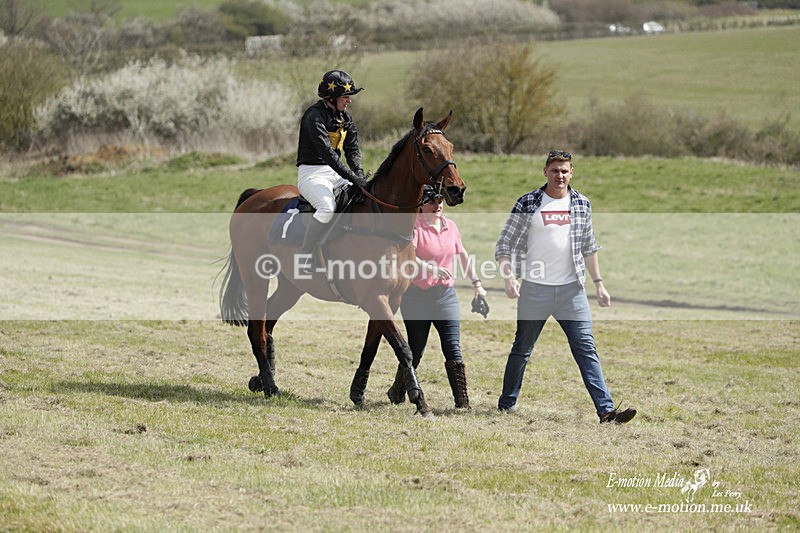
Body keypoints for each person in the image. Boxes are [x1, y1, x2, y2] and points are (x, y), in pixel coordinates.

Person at [495, 150, 636, 424]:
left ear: (571, 173)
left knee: (586, 348)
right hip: (534, 290)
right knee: (522, 348)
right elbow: (504, 244)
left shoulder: (582, 203)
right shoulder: (528, 202)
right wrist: (508, 277)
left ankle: (606, 411)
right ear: (545, 172)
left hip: (572, 291)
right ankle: (506, 404)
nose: (559, 175)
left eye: (564, 171)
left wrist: (599, 284)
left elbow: (589, 246)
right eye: (555, 170)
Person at [387, 185, 489, 409]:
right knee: (416, 350)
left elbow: (462, 255)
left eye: (440, 201)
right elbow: (409, 258)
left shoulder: (450, 226)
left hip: (445, 297)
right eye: (432, 201)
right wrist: (431, 269)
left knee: (453, 347)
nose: (438, 205)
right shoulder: (414, 227)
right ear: (421, 205)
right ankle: (397, 391)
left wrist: (477, 285)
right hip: (416, 297)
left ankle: (462, 403)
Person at [296, 69, 369, 272]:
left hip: (335, 174)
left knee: (360, 198)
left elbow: (352, 150)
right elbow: (328, 154)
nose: (349, 101)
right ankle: (305, 255)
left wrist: (360, 176)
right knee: (327, 207)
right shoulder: (314, 116)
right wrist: (351, 176)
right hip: (312, 173)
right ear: (332, 97)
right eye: (346, 97)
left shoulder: (345, 118)